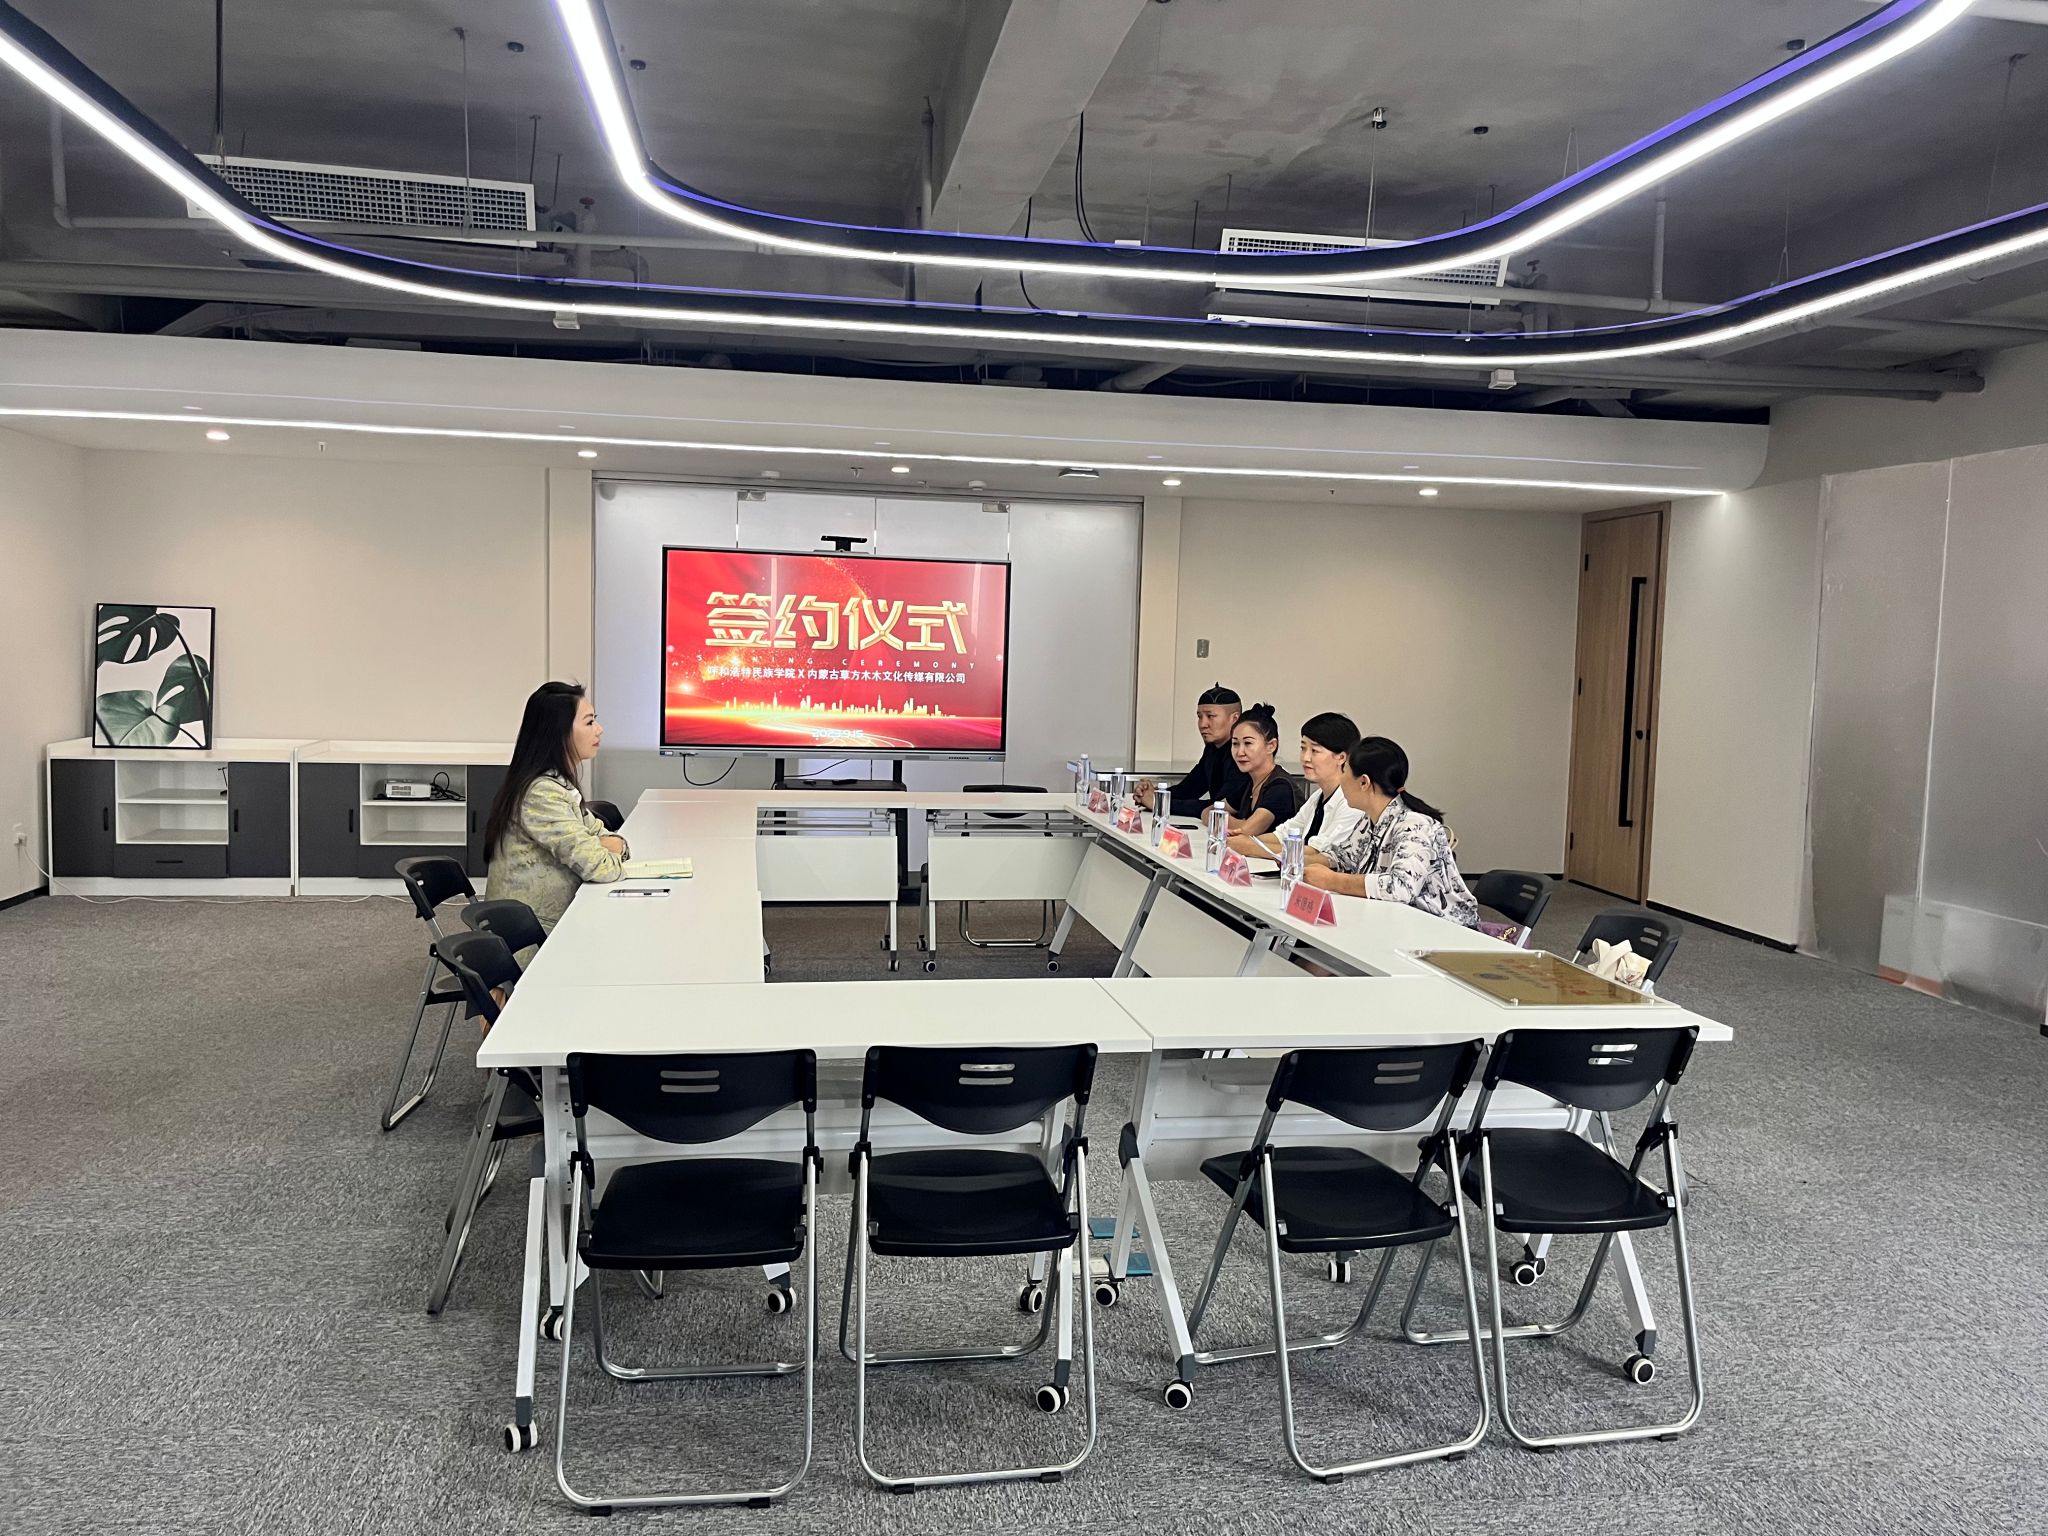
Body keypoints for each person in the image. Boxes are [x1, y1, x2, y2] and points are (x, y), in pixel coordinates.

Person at [481, 682, 629, 943]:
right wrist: (604, 848)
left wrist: (607, 846)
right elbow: (599, 866)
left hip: (560, 917)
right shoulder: (541, 793)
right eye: (589, 722)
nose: (599, 729)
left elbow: (603, 835)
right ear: (560, 732)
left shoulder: (558, 783)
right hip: (534, 936)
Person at [1302, 736, 1479, 926]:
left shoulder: (1415, 825)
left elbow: (1400, 886)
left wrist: (1333, 880)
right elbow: (1343, 857)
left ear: (1364, 782)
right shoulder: (1369, 820)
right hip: (1397, 923)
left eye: (1344, 770)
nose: (1341, 778)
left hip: (1441, 930)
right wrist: (1296, 861)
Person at [1229, 711, 1363, 860]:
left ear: (1341, 757)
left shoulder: (1352, 803)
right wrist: (1246, 841)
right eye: (1303, 748)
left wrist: (1250, 847)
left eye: (1314, 751)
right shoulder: (1317, 797)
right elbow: (1283, 834)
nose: (1305, 758)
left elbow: (1317, 852)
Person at [1135, 683, 1249, 817]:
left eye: (1210, 716)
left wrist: (1160, 803)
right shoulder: (1212, 749)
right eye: (1200, 717)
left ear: (1234, 718)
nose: (1203, 724)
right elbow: (1189, 789)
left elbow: (1220, 807)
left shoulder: (1243, 756)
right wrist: (1154, 794)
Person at [1221, 703, 1299, 837]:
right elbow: (1209, 812)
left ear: (1271, 746)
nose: (1240, 752)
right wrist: (1238, 822)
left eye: (1248, 743)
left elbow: (1248, 830)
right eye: (1235, 743)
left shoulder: (1280, 787)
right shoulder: (1250, 780)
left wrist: (1225, 819)